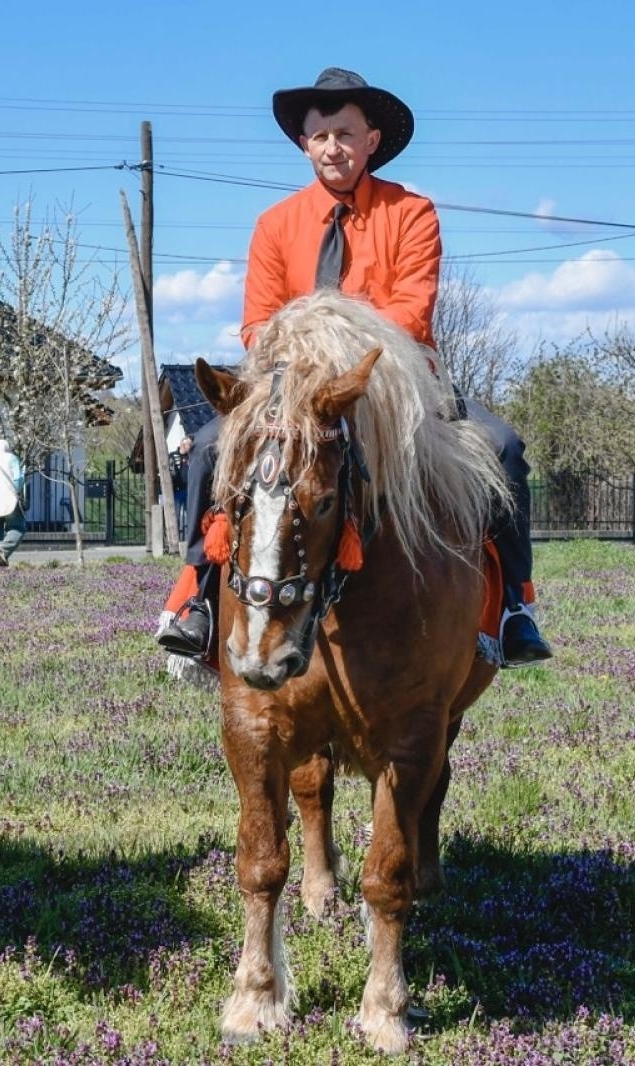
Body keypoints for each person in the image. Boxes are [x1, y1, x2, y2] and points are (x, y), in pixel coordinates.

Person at [154, 67, 552, 669]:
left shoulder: (413, 213)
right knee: (209, 447)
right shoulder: (274, 225)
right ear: (303, 144)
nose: (331, 146)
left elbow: (410, 317)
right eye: (319, 135)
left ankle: (515, 608)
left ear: (371, 141)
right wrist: (301, 357)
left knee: (504, 448)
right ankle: (197, 599)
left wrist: (334, 345)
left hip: (398, 385)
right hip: (290, 389)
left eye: (344, 132)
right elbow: (258, 324)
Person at [169, 435, 193, 529]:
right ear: (183, 445)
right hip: (177, 490)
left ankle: (189, 538)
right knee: (176, 515)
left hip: (188, 490)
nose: (191, 446)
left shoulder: (191, 457)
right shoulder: (172, 456)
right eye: (189, 445)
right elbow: (171, 471)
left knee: (190, 515)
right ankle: (175, 538)